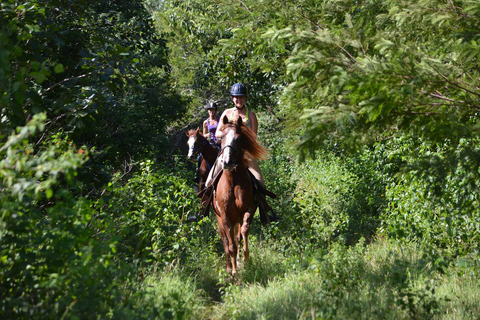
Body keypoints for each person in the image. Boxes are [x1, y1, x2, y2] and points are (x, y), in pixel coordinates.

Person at [201, 83, 278, 224]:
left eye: (241, 97)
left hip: (246, 155)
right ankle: (203, 209)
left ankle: (265, 212)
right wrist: (228, 132)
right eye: (236, 98)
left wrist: (240, 135)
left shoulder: (251, 116)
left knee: (260, 182)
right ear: (232, 98)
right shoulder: (226, 113)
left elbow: (253, 137)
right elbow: (218, 132)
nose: (239, 100)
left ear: (245, 98)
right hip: (227, 153)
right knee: (208, 181)